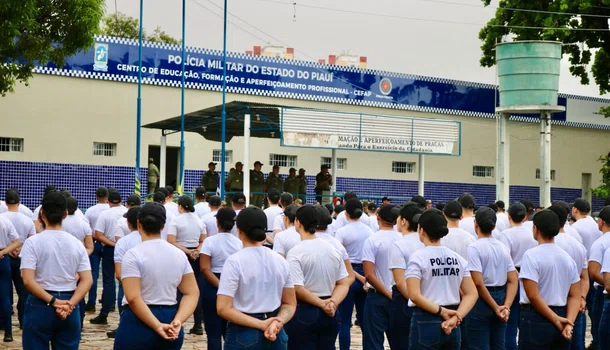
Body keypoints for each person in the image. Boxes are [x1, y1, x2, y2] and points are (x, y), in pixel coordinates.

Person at [113, 202, 199, 350]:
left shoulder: (133, 254)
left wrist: (157, 326)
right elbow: (192, 292)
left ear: (139, 224)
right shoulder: (178, 254)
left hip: (138, 319)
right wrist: (178, 320)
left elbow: (133, 297)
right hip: (170, 316)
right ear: (163, 226)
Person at [217, 206, 297, 349]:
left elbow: (223, 308)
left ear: (239, 231)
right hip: (276, 330)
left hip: (244, 331)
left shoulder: (235, 261)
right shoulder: (281, 261)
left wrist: (262, 324)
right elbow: (290, 304)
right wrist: (277, 322)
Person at [21, 191, 92, 348]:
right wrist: (70, 304)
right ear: (65, 214)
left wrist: (53, 301)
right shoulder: (77, 244)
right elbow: (87, 279)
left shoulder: (32, 243)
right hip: (69, 304)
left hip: (40, 304)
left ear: (42, 214)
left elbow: (27, 279)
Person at [406, 208, 478, 350]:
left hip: (426, 320)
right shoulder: (457, 258)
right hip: (452, 324)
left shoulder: (418, 257)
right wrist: (456, 318)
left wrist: (441, 311)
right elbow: (472, 294)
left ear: (421, 231)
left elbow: (414, 295)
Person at [285, 205, 351, 349]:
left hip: (305, 311)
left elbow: (297, 288)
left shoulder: (296, 252)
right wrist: (333, 302)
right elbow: (344, 283)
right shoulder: (333, 249)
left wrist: (323, 304)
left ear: (298, 223)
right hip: (331, 311)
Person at [518, 209, 581, 350]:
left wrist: (555, 319)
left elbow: (533, 295)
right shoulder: (567, 258)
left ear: (535, 229)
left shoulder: (531, 255)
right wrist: (569, 322)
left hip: (536, 317)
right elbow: (575, 295)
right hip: (563, 315)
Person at [466, 206, 518, 350]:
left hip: (481, 300)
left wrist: (496, 308)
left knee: (479, 344)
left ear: (475, 224)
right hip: (501, 296)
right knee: (498, 344)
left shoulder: (474, 248)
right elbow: (513, 280)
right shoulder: (502, 247)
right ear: (494, 226)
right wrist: (506, 306)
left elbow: (478, 283)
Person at [199, 208, 243, 350]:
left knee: (213, 333)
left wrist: (219, 285)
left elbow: (204, 268)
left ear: (217, 222)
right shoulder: (239, 243)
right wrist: (226, 287)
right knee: (229, 330)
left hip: (212, 284)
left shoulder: (209, 242)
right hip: (232, 285)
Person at [497, 202, 538, 350]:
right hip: (530, 278)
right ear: (525, 217)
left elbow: (505, 260)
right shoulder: (531, 234)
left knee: (510, 324)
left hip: (512, 278)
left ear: (509, 216)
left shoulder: (506, 235)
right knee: (527, 321)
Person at [548, 204, 589, 350]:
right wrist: (582, 297)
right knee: (575, 342)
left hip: (552, 304)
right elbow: (584, 277)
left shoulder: (547, 244)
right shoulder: (577, 245)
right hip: (575, 303)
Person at [334, 198, 374, 350]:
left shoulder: (342, 232)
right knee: (365, 321)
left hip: (348, 276)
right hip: (366, 274)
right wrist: (364, 278)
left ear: (345, 213)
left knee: (344, 321)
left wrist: (355, 275)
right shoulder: (369, 231)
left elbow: (340, 259)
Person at [361, 204, 401, 349]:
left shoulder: (372, 240)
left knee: (373, 342)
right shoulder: (402, 239)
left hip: (377, 296)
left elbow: (369, 275)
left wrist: (387, 294)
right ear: (396, 221)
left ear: (378, 218)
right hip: (400, 296)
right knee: (399, 342)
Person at [166, 195, 206, 336]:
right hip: (196, 255)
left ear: (181, 206)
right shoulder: (199, 221)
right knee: (195, 290)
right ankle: (197, 323)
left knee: (178, 289)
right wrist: (196, 251)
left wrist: (187, 251)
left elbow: (171, 241)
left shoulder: (175, 221)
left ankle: (176, 321)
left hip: (180, 255)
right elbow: (203, 240)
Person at [388, 202, 424, 349]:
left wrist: (413, 300)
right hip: (425, 296)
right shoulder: (425, 242)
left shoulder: (399, 244)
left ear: (403, 221)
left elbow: (400, 281)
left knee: (400, 342)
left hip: (405, 300)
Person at [90, 189, 127, 325]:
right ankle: (123, 313)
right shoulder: (126, 212)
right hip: (127, 250)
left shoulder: (105, 214)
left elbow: (98, 235)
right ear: (121, 201)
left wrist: (114, 244)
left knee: (108, 281)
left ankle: (105, 312)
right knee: (125, 281)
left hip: (110, 249)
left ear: (108, 201)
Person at [1, 190, 35, 330]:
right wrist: (19, 249)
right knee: (23, 291)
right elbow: (32, 239)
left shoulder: (2, 217)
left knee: (5, 291)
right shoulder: (27, 219)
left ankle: (4, 321)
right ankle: (23, 320)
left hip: (5, 256)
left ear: (6, 203)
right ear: (19, 203)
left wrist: (10, 249)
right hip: (22, 257)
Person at [571, 198, 603, 348]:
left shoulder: (576, 227)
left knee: (580, 308)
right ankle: (597, 341)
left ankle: (581, 342)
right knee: (596, 311)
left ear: (575, 210)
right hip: (599, 272)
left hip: (583, 272)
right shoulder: (596, 224)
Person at [107, 206, 142, 339]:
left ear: (129, 223)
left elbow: (118, 273)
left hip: (127, 282)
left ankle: (123, 325)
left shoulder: (123, 242)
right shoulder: (154, 240)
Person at [585, 205, 610, 350]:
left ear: (601, 222)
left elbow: (593, 272)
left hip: (603, 294)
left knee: (601, 335)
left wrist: (606, 282)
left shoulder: (600, 243)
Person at [84, 186, 109, 313]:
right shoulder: (110, 210)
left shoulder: (90, 211)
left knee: (93, 273)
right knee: (109, 276)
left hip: (95, 242)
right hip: (110, 244)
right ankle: (108, 302)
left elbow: (87, 228)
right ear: (107, 197)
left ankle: (91, 301)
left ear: (96, 196)